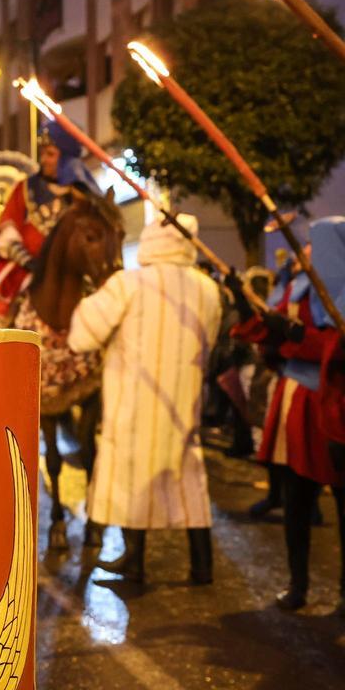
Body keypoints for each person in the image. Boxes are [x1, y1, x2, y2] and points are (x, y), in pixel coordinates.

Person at [68, 215, 222, 584]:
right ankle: (202, 565)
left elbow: (82, 336)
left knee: (131, 481)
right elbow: (210, 341)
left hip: (135, 402)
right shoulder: (208, 289)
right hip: (183, 402)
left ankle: (134, 560)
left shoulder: (129, 284)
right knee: (187, 479)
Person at [227, 217, 345, 613]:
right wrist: (243, 300)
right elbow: (267, 328)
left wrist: (297, 336)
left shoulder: (337, 292)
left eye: (315, 245)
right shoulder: (297, 285)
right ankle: (298, 585)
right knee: (296, 497)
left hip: (329, 400)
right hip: (297, 399)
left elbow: (334, 346)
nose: (306, 251)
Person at [0, 122, 95, 329]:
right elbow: (6, 229)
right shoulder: (26, 188)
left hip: (74, 268)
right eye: (43, 154)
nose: (43, 160)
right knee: (4, 312)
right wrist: (28, 261)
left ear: (66, 157)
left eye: (50, 154)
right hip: (30, 268)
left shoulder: (83, 194)